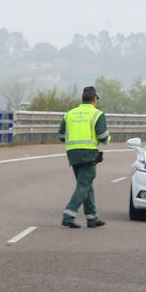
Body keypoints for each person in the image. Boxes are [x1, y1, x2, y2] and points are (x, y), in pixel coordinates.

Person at [58, 86, 109, 228]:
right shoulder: (97, 114)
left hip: (72, 153)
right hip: (89, 153)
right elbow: (102, 137)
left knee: (86, 185)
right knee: (84, 185)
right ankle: (69, 214)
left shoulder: (70, 114)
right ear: (94, 100)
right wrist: (107, 139)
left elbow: (61, 136)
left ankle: (92, 218)